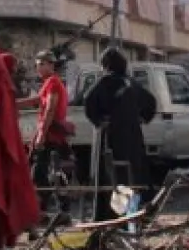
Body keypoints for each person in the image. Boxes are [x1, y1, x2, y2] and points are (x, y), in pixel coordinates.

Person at [83, 48, 158, 216]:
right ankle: (133, 212)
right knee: (133, 173)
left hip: (111, 135)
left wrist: (99, 121)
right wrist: (141, 118)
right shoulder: (131, 83)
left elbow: (88, 102)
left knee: (111, 174)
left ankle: (111, 214)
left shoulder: (104, 83)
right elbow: (151, 103)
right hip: (132, 135)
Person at [20, 50, 70, 212]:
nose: (38, 68)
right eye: (37, 65)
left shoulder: (53, 82)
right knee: (49, 171)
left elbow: (50, 107)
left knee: (39, 173)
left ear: (51, 65)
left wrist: (41, 133)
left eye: (42, 64)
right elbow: (38, 100)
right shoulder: (49, 83)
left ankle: (46, 208)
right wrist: (14, 103)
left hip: (50, 134)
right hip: (51, 134)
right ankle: (56, 207)